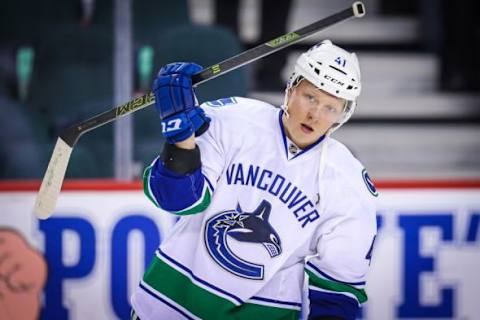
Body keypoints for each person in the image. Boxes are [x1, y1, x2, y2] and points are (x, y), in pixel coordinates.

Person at [131, 40, 378, 320]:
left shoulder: (348, 183)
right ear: (291, 88)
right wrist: (181, 140)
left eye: (330, 108)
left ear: (342, 116)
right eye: (310, 97)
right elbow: (174, 198)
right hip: (168, 306)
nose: (315, 114)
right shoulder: (232, 119)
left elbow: (338, 292)